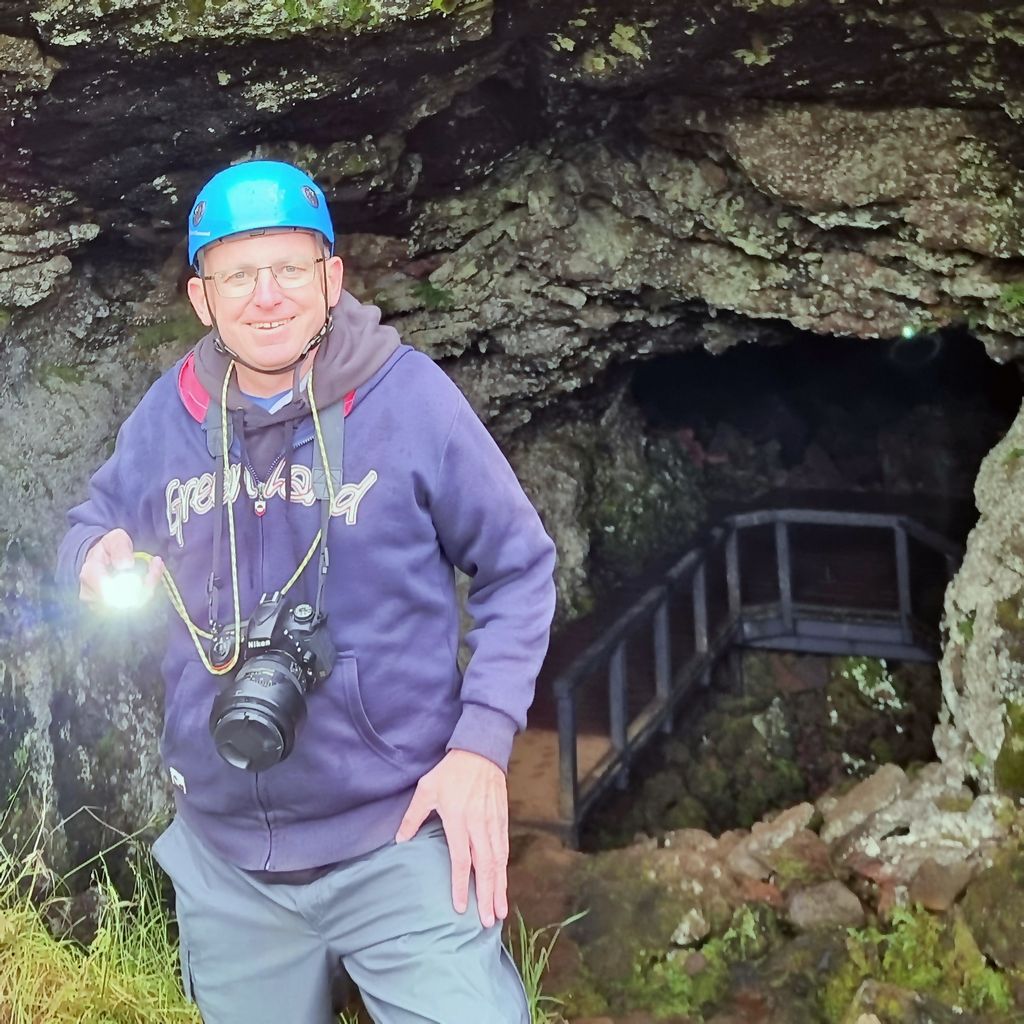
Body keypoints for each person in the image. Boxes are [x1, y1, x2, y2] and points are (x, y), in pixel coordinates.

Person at [57, 160, 557, 1024]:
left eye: (289, 268)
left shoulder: (412, 403)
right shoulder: (168, 415)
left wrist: (481, 746)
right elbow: (92, 517)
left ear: (331, 279)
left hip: (395, 839)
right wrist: (91, 557)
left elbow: (520, 563)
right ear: (202, 297)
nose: (266, 296)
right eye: (238, 275)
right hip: (223, 862)